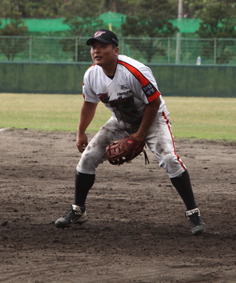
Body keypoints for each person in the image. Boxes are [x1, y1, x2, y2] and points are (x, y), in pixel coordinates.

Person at [54, 29, 206, 235]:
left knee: (170, 159)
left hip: (152, 120)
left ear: (115, 50)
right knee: (87, 158)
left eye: (102, 46)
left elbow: (154, 103)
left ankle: (193, 213)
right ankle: (78, 210)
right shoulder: (91, 74)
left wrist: (140, 136)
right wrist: (81, 132)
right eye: (93, 47)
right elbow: (89, 104)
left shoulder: (135, 71)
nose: (96, 51)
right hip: (120, 121)